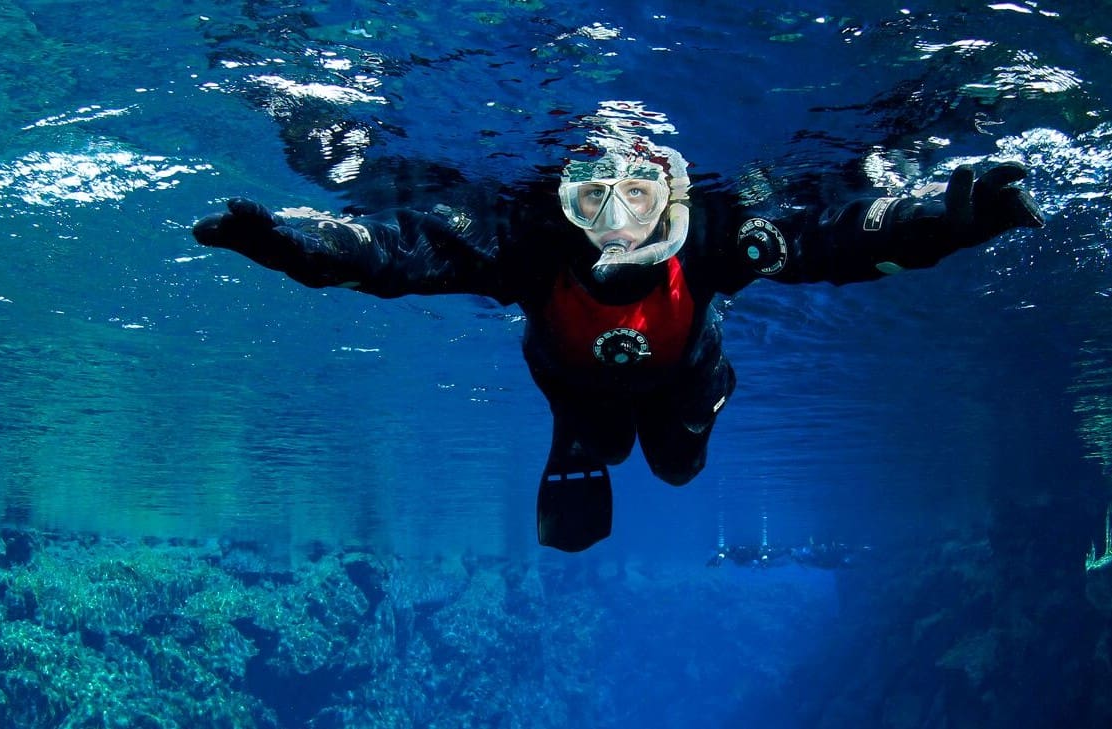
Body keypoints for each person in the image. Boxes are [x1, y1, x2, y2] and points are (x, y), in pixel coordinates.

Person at [191, 140, 1043, 552]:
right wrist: (297, 245)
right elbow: (397, 258)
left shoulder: (715, 237)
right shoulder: (526, 245)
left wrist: (945, 219)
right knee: (600, 438)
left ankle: (676, 415)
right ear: (563, 200)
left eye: (637, 195)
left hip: (685, 372)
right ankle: (585, 434)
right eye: (592, 195)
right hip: (572, 384)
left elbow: (839, 238)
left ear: (672, 196)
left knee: (676, 464)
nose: (616, 221)